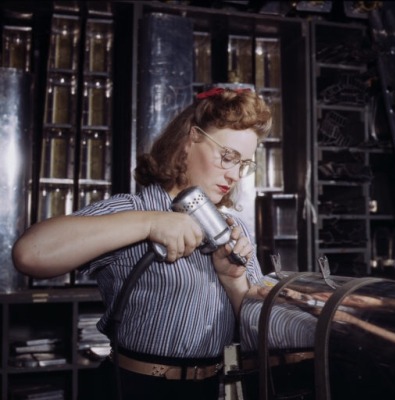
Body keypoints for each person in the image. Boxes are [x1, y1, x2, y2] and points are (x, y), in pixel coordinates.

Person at [12, 87, 273, 400]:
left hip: (206, 390)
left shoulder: (234, 230)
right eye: (227, 156)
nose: (234, 175)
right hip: (133, 388)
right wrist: (150, 223)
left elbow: (259, 336)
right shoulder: (133, 209)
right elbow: (29, 254)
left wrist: (235, 281)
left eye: (243, 164)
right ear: (191, 139)